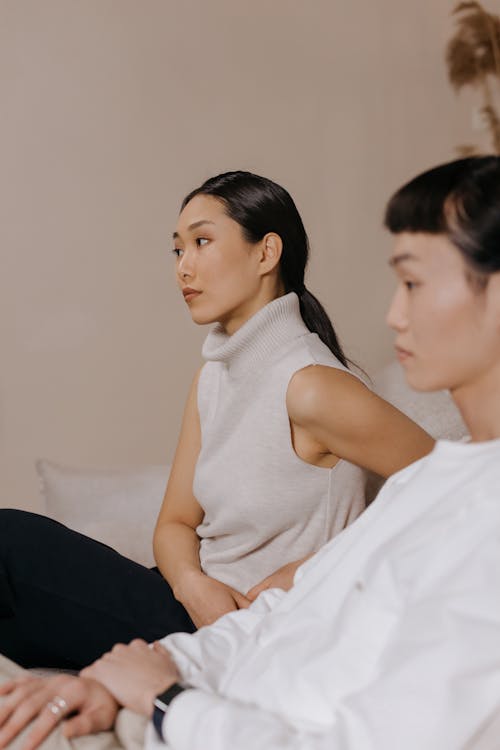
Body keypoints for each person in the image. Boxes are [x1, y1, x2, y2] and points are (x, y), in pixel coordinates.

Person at [1, 154, 499, 750]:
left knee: (9, 545)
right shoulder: (214, 377)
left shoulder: (312, 384)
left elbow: (432, 486)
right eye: (177, 249)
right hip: (200, 607)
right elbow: (175, 523)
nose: (184, 266)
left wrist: (302, 575)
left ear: (267, 253)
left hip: (241, 614)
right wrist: (195, 585)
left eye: (202, 242)